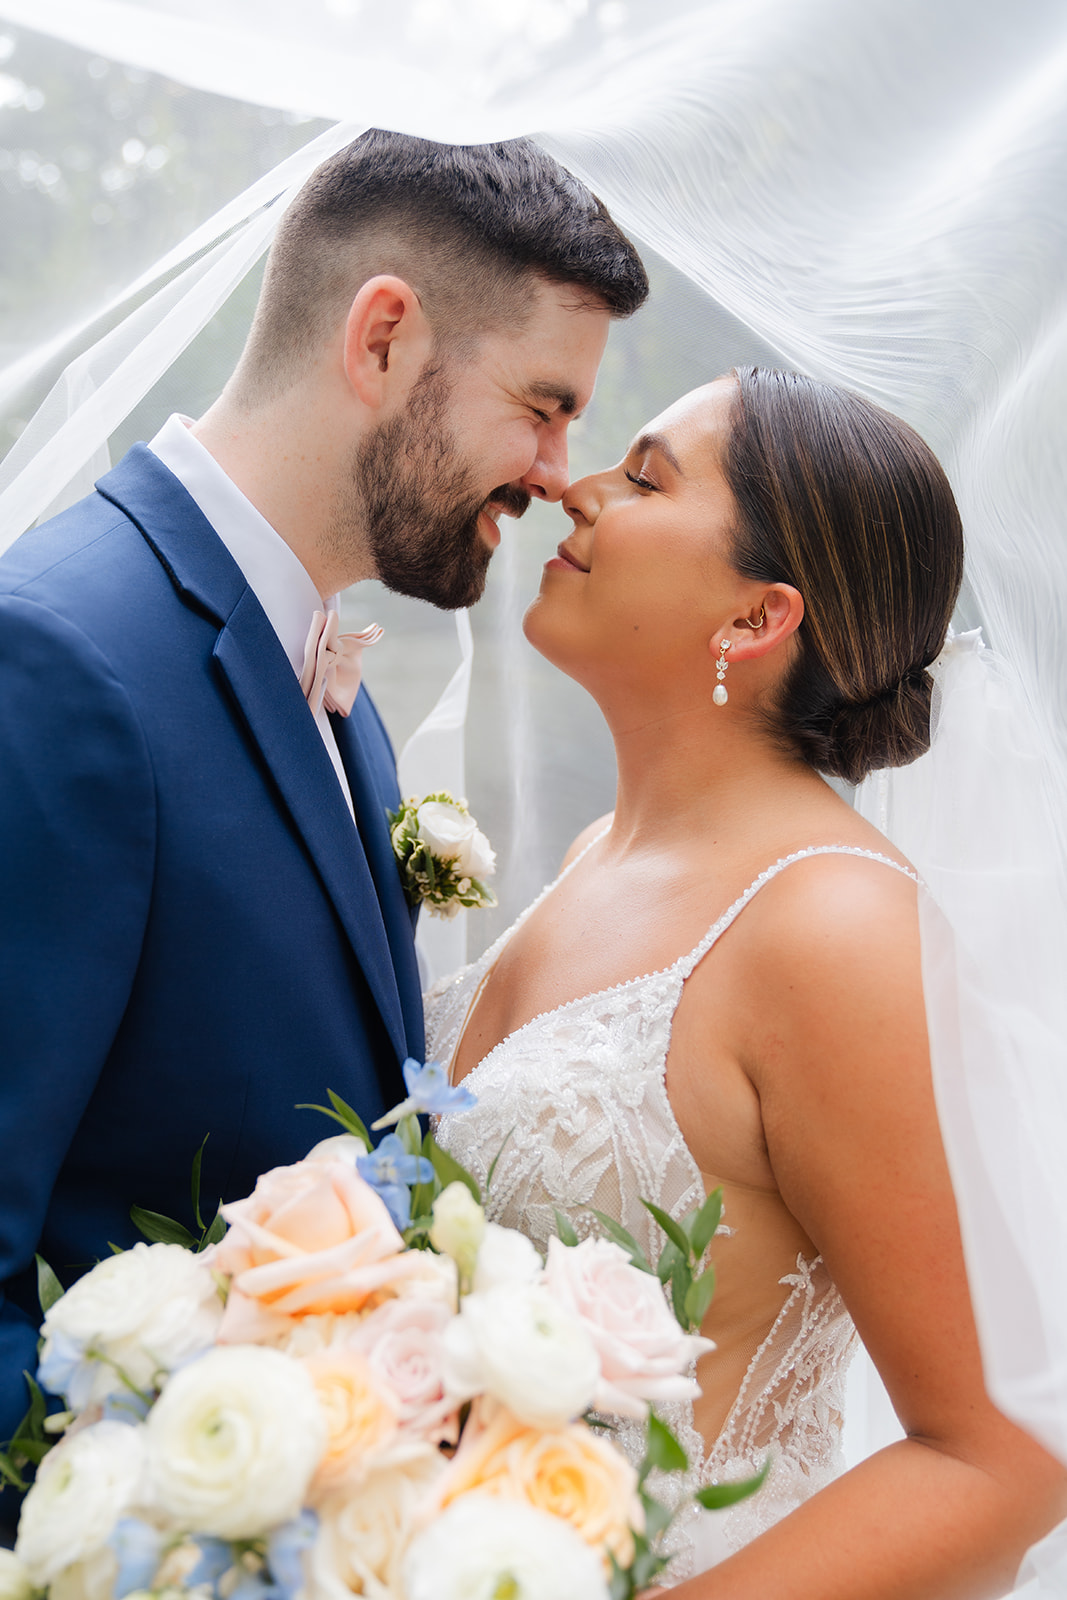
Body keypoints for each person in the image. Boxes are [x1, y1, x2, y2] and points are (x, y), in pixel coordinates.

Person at [0, 128, 648, 1462]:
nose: (554, 472)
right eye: (541, 403)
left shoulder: (324, 679)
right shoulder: (60, 663)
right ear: (383, 340)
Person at [427, 367, 1067, 1594]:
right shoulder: (585, 864)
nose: (572, 485)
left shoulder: (831, 927)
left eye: (645, 475)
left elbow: (1001, 1453)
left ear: (753, 619)